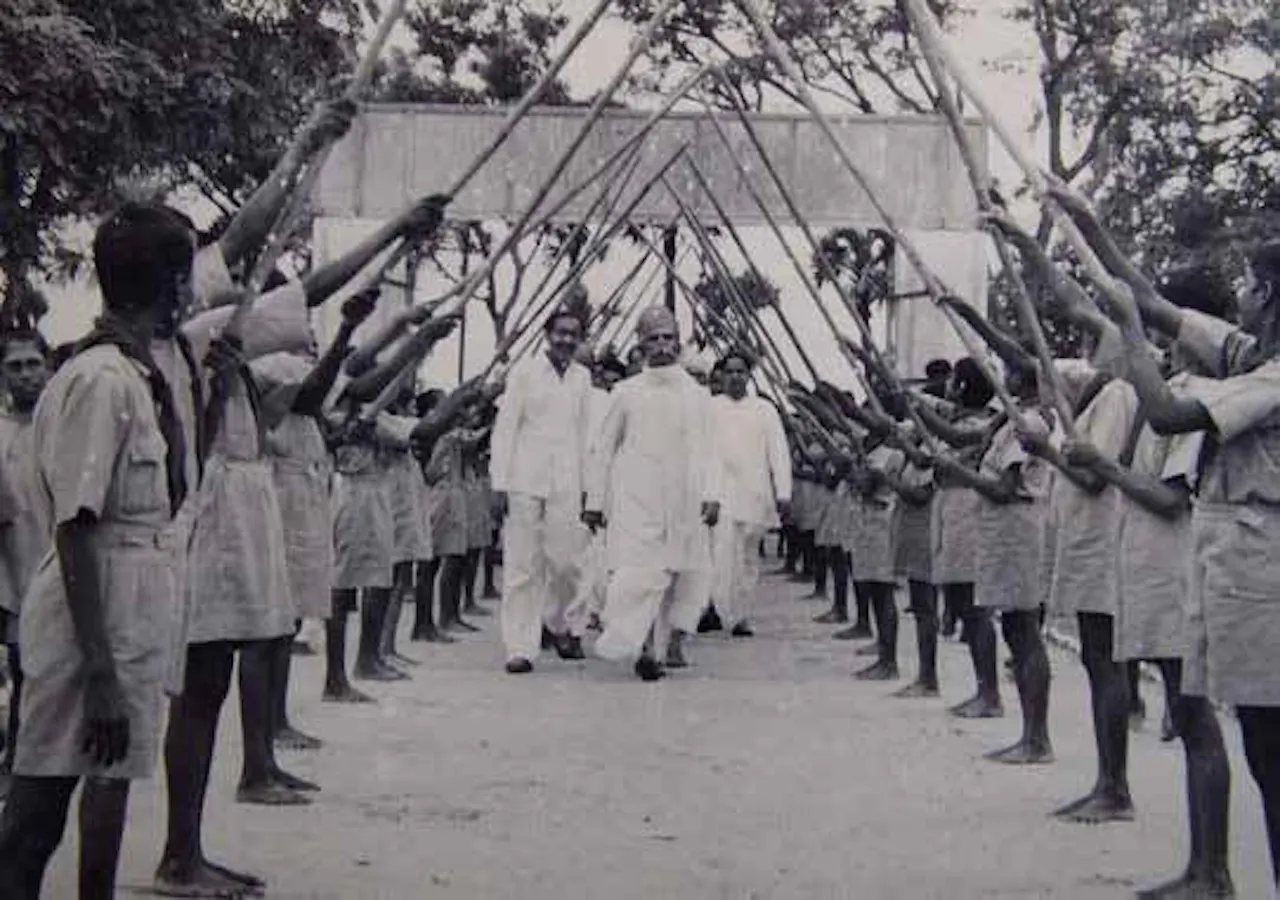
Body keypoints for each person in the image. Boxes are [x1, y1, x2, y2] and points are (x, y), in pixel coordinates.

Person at [0, 203, 192, 900]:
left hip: (128, 606)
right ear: (173, 285)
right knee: (35, 816)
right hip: (88, 620)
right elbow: (76, 527)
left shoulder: (138, 376)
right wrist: (102, 673)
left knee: (107, 784)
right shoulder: (100, 380)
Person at [251, 286, 378, 748]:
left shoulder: (290, 364)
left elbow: (349, 384)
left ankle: (275, 723)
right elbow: (315, 393)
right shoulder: (268, 364)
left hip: (302, 493)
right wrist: (346, 330)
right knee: (273, 620)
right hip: (279, 494)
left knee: (287, 618)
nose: (305, 329)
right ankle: (266, 730)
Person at [585, 306, 721, 681]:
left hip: (683, 498)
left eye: (668, 338)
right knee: (637, 574)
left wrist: (712, 494)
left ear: (678, 342)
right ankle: (643, 646)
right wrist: (595, 502)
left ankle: (658, 650)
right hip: (636, 497)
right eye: (653, 338)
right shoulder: (625, 393)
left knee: (675, 574)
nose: (662, 345)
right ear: (640, 344)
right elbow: (603, 449)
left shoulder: (697, 394)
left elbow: (710, 449)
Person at [491, 305, 592, 674]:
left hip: (568, 483)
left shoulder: (582, 378)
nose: (566, 339)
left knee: (566, 563)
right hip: (523, 481)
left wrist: (588, 488)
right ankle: (519, 648)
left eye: (573, 334)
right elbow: (506, 429)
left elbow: (585, 434)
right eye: (560, 332)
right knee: (522, 566)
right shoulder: (524, 372)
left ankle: (559, 623)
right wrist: (499, 483)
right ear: (547, 334)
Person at [0, 329, 53, 791]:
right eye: (15, 366)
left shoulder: (59, 427)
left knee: (33, 675)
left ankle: (23, 764)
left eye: (33, 364)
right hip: (7, 568)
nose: (25, 376)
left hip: (48, 565)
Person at [709, 349, 791, 638]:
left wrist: (784, 492)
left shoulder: (764, 410)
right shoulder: (711, 407)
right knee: (721, 554)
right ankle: (719, 609)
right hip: (719, 494)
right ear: (721, 375)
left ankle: (741, 615)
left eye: (740, 372)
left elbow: (778, 452)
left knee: (747, 557)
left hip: (755, 493)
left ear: (748, 375)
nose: (734, 377)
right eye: (729, 372)